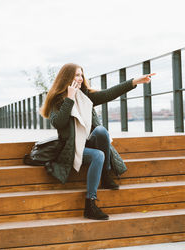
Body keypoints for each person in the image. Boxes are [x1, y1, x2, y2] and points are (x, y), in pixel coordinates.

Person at [40, 63, 156, 220]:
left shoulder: (86, 97)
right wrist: (70, 98)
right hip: (71, 148)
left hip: (87, 142)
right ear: (66, 78)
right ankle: (90, 204)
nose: (80, 78)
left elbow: (109, 94)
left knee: (101, 131)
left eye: (81, 75)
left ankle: (106, 174)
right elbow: (58, 123)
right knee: (98, 155)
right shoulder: (57, 100)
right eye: (76, 75)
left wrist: (135, 81)